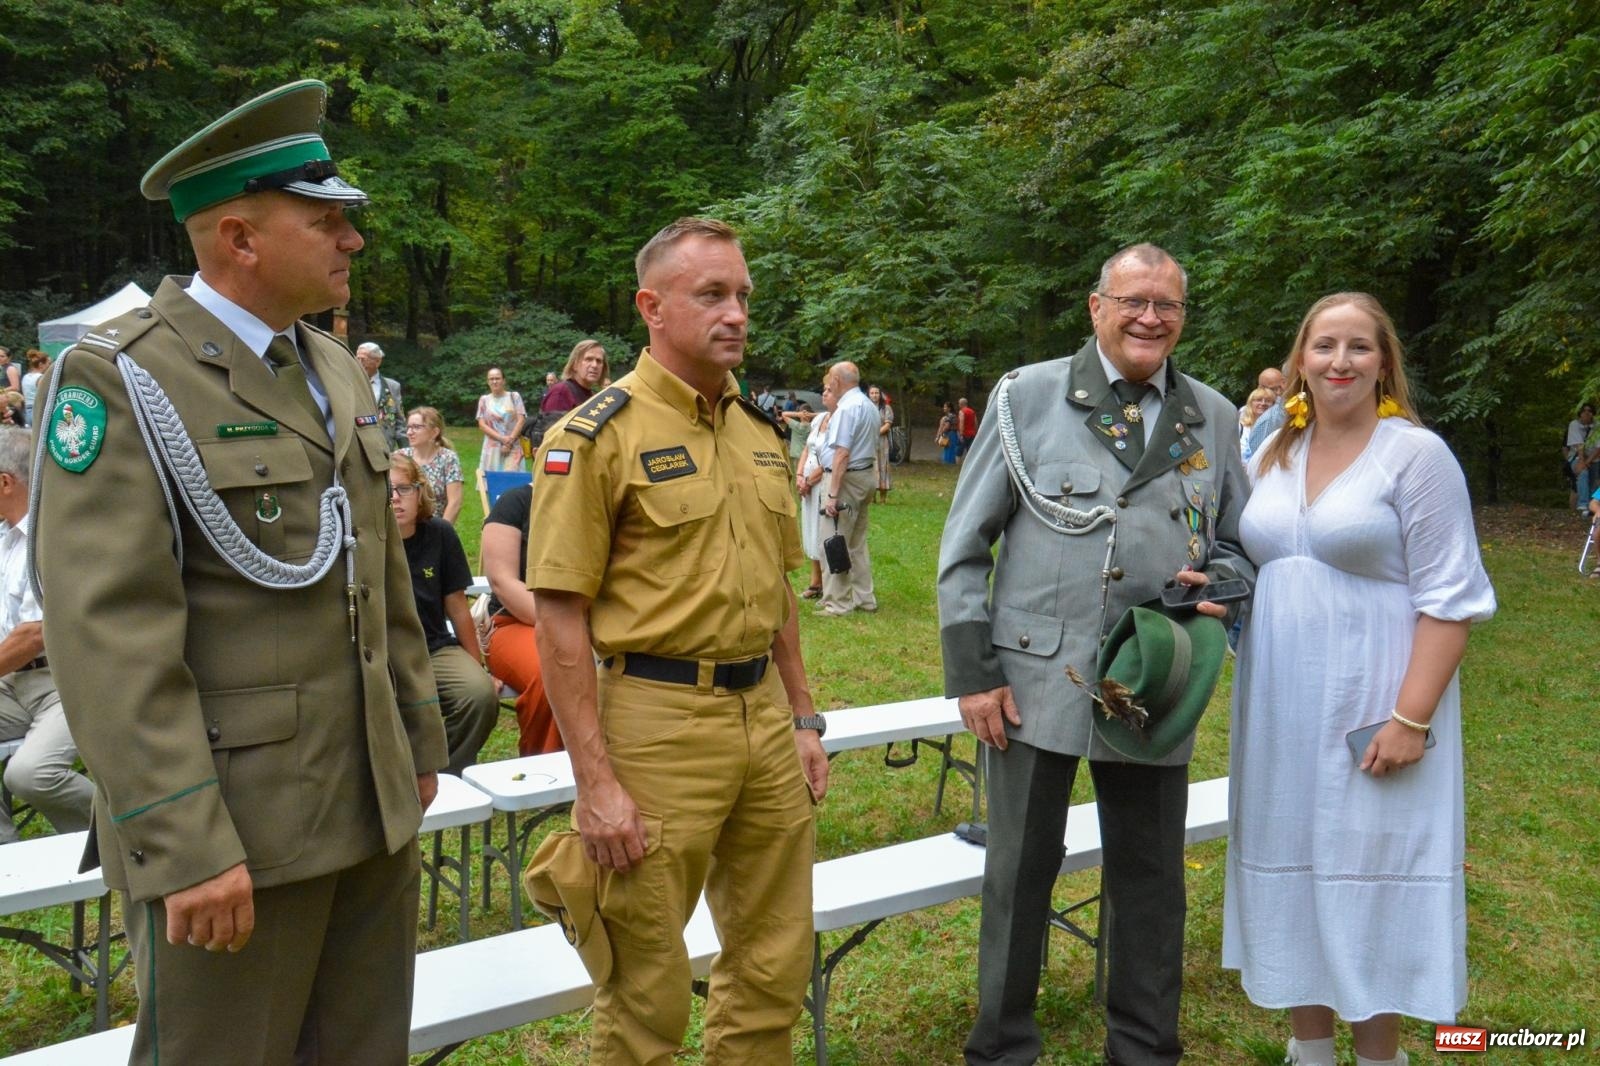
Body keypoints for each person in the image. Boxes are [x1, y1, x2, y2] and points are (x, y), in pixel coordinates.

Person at [32, 79, 447, 1064]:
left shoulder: (334, 368)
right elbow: (108, 632)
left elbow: (378, 574)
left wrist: (417, 742)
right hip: (237, 825)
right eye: (326, 219)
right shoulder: (122, 374)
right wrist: (182, 839)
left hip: (367, 799)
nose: (353, 239)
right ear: (239, 238)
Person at [938, 243, 1254, 1066]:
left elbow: (1242, 544)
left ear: (1184, 317)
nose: (1150, 318)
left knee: (1151, 880)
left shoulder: (1213, 417)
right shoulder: (1027, 397)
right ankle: (1002, 1048)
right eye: (1133, 301)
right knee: (1019, 875)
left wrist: (1218, 577)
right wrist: (973, 676)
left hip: (1154, 681)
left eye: (1168, 306)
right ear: (1096, 306)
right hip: (1032, 680)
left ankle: (1145, 1050)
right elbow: (964, 548)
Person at [526, 216, 828, 1065]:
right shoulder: (594, 438)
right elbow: (559, 618)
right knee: (645, 984)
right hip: (655, 724)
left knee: (774, 964)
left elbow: (779, 591)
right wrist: (595, 783)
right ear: (651, 307)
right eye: (712, 295)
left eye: (742, 296)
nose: (735, 313)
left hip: (763, 723)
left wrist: (802, 720)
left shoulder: (761, 433)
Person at [1223, 293, 1496, 1066]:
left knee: (1372, 873)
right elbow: (1255, 559)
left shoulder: (1414, 454)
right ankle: (1308, 1051)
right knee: (1291, 862)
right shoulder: (1273, 452)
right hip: (1278, 703)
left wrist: (1409, 720)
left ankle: (1381, 1057)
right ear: (1301, 358)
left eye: (1358, 348)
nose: (1339, 361)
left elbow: (1452, 601)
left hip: (1376, 703)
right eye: (1324, 346)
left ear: (1384, 363)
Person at [0, 426, 93, 845]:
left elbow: (35, 633)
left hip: (64, 681)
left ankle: (130, 837)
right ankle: (8, 862)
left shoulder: (49, 535)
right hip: (16, 680)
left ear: (4, 482)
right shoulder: (7, 537)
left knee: (31, 775)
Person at [390, 454, 497, 775]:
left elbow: (458, 608)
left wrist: (480, 668)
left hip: (434, 647)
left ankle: (445, 773)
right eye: (385, 489)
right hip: (381, 654)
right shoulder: (363, 539)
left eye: (403, 488)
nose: (394, 498)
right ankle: (396, 778)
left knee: (479, 697)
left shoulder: (439, 534)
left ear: (420, 491)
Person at [481, 477, 561, 756]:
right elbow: (503, 582)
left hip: (593, 619)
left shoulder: (595, 501)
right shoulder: (516, 503)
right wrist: (564, 625)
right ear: (538, 455)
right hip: (515, 621)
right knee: (551, 668)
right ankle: (545, 772)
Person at [817, 362, 879, 616]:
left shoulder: (846, 409)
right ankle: (865, 599)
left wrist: (832, 495)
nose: (828, 383)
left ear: (837, 381)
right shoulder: (868, 405)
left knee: (833, 541)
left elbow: (841, 454)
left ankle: (837, 602)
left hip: (846, 480)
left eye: (830, 379)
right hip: (865, 476)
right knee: (856, 543)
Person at [794, 381, 838, 600]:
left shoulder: (838, 422)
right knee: (810, 528)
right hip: (808, 482)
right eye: (824, 390)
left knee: (823, 530)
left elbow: (831, 458)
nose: (824, 394)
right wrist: (800, 475)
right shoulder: (819, 418)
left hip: (823, 482)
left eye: (829, 391)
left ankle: (830, 582)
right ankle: (815, 581)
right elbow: (806, 448)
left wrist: (810, 481)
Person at [401, 405, 464, 524]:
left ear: (434, 432)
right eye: (408, 427)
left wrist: (441, 532)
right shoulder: (400, 457)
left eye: (416, 427)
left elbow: (455, 502)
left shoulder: (448, 458)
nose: (409, 432)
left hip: (435, 527)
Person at [355, 341, 405, 449]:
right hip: (357, 447)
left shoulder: (392, 386)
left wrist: (406, 451)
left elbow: (400, 422)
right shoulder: (349, 384)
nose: (359, 363)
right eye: (357, 359)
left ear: (377, 362)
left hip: (384, 447)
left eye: (363, 359)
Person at [476, 366, 526, 472]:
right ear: (488, 381)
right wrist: (502, 439)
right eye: (491, 379)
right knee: (492, 483)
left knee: (513, 484)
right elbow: (482, 425)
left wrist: (509, 441)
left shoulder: (514, 396)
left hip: (513, 447)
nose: (494, 381)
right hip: (492, 449)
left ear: (503, 380)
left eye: (497, 378)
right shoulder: (484, 400)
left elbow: (521, 420)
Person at [541, 339, 610, 415]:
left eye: (599, 361)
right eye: (588, 359)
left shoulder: (593, 396)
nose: (594, 365)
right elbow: (551, 426)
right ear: (575, 364)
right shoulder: (560, 393)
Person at [1245, 366, 1290, 455]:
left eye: (1280, 387)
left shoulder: (1285, 410)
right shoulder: (1242, 415)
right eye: (1274, 389)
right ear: (1260, 387)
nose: (1279, 393)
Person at [1565, 402, 1596, 513]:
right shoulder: (1574, 424)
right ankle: (1583, 504)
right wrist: (1582, 462)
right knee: (1583, 473)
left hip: (1594, 458)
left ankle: (1593, 507)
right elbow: (1579, 445)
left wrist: (1588, 461)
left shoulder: (1597, 426)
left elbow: (1598, 448)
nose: (1587, 413)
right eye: (1584, 411)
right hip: (1578, 457)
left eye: (1589, 411)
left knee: (1594, 481)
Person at [870, 384, 894, 504]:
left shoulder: (886, 408)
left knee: (882, 466)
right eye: (872, 393)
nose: (874, 395)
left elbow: (888, 424)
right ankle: (871, 496)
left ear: (880, 395)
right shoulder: (865, 408)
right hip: (869, 442)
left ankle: (883, 498)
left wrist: (876, 433)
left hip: (882, 441)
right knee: (871, 466)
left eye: (876, 393)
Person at [1238, 386, 1274, 460]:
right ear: (1250, 403)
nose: (1263, 403)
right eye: (1259, 400)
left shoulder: (1275, 428)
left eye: (1268, 401)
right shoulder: (1239, 426)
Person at [21, 349, 50, 428]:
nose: (49, 366)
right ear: (41, 364)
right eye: (48, 363)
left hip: (27, 412)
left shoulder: (25, 377)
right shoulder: (41, 378)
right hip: (38, 411)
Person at [956, 395, 977, 462]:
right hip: (972, 434)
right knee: (970, 451)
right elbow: (976, 422)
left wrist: (961, 434)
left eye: (959, 403)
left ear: (961, 404)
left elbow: (961, 422)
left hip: (964, 434)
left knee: (959, 452)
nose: (958, 405)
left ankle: (957, 465)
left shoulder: (962, 411)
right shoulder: (972, 411)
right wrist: (976, 432)